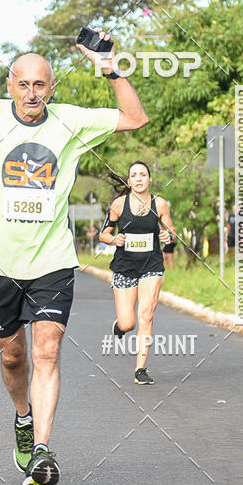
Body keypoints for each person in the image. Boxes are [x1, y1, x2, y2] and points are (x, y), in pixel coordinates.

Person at [0, 29, 148, 485]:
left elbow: (134, 118)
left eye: (41, 85)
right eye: (24, 84)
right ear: (9, 85)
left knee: (46, 350)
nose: (32, 93)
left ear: (52, 88)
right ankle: (23, 417)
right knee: (14, 356)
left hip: (53, 261)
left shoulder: (71, 121)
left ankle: (41, 449)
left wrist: (108, 65)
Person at [98, 161, 175, 385]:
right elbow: (103, 233)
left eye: (143, 174)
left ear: (149, 179)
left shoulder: (159, 204)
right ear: (129, 181)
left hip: (152, 264)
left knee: (147, 314)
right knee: (128, 323)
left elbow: (171, 230)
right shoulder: (119, 205)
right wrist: (113, 239)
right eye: (134, 175)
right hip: (125, 266)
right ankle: (120, 326)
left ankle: (140, 369)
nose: (139, 178)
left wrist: (168, 236)